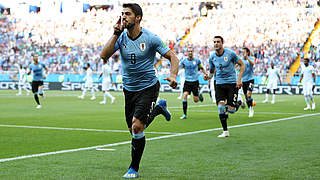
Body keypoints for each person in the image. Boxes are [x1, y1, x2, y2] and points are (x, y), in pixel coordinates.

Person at [100, 3, 179, 179]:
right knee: (133, 129)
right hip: (129, 89)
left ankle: (133, 169)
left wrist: (173, 75)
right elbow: (104, 56)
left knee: (137, 127)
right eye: (122, 14)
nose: (123, 17)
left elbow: (172, 56)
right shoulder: (120, 37)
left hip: (148, 87)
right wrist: (115, 33)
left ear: (138, 18)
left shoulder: (151, 38)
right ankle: (158, 108)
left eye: (127, 14)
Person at [204, 36, 245, 138]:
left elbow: (242, 65)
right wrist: (208, 77)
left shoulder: (230, 54)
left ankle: (239, 102)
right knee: (221, 107)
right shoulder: (212, 57)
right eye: (214, 42)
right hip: (219, 84)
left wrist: (239, 80)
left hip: (231, 84)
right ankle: (225, 131)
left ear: (222, 43)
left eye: (218, 42)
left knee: (231, 110)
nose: (216, 44)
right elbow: (212, 71)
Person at [179, 46, 205, 119]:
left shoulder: (197, 61)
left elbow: (201, 68)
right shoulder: (184, 61)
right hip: (187, 81)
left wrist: (205, 74)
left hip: (195, 82)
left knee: (195, 100)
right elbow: (179, 67)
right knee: (184, 95)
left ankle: (199, 95)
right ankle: (184, 114)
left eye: (191, 51)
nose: (190, 52)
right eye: (189, 51)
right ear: (187, 53)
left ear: (193, 52)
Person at [241, 47, 256, 117]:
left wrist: (247, 58)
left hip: (251, 79)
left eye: (244, 52)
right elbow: (235, 65)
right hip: (243, 80)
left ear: (247, 52)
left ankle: (251, 109)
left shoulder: (251, 58)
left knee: (248, 94)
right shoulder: (240, 60)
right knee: (246, 97)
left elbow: (253, 64)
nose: (243, 53)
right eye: (242, 52)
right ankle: (250, 106)